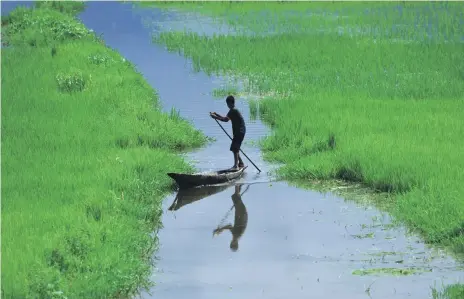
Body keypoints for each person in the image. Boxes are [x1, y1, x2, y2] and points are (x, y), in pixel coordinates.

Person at [210, 95, 246, 171]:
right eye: (227, 104)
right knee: (234, 148)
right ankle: (241, 163)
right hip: (239, 131)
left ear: (231, 103)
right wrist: (216, 114)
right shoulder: (232, 110)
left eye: (228, 104)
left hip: (240, 131)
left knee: (235, 148)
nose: (228, 106)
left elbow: (225, 120)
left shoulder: (233, 110)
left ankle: (236, 166)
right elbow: (225, 118)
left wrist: (215, 117)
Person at [213, 184, 248, 252]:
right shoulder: (236, 236)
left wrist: (221, 229)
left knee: (236, 197)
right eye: (233, 244)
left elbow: (230, 226)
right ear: (236, 244)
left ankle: (238, 185)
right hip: (241, 213)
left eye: (231, 244)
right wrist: (220, 229)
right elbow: (230, 227)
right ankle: (237, 183)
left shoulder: (236, 236)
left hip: (241, 214)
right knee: (235, 197)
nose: (232, 243)